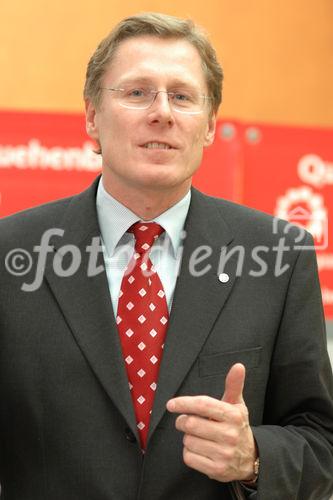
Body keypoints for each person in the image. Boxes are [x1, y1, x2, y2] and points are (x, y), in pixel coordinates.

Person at [0, 12, 332, 500]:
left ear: (210, 124)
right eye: (137, 93)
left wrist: (253, 457)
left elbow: (320, 441)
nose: (162, 112)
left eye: (182, 96)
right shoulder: (12, 253)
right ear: (92, 115)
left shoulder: (279, 255)